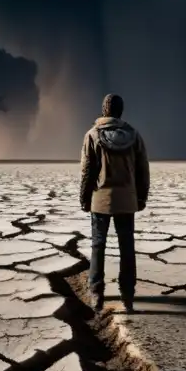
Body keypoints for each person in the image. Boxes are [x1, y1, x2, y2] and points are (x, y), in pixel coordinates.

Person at [79, 93, 150, 313]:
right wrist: (141, 197)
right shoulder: (134, 135)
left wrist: (84, 198)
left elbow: (87, 171)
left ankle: (96, 294)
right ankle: (128, 297)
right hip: (127, 200)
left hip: (100, 200)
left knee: (98, 246)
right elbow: (143, 170)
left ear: (103, 110)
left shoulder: (92, 135)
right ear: (120, 111)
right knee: (127, 248)